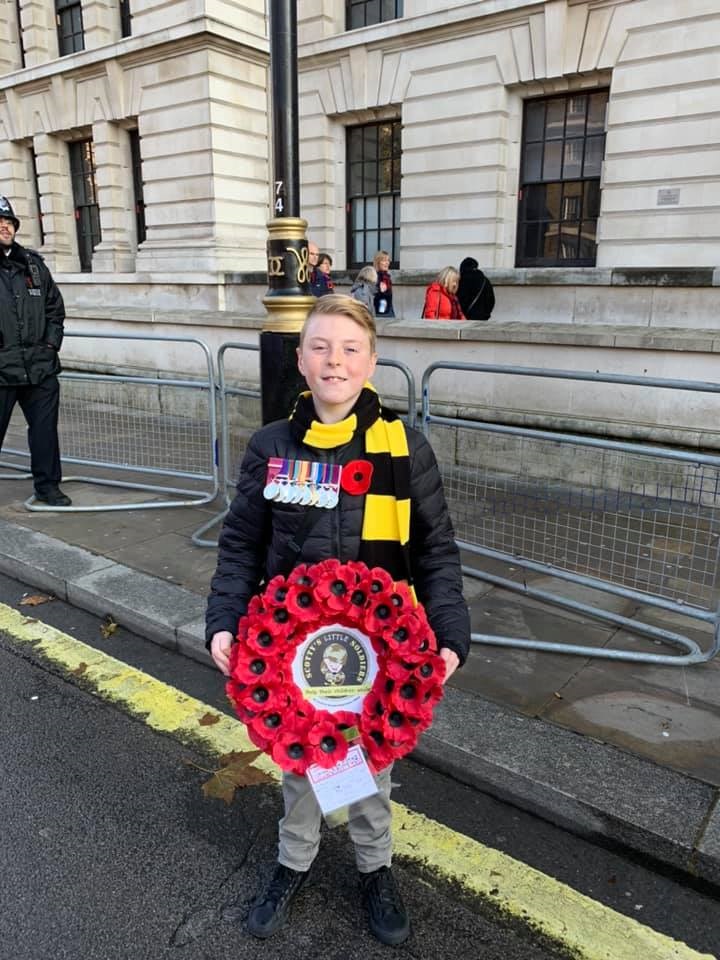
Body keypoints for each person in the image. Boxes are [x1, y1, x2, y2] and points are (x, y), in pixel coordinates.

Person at [206, 294, 470, 946]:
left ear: (371, 360)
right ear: (300, 359)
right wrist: (224, 620)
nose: (335, 361)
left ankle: (374, 869)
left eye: (350, 349)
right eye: (321, 347)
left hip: (381, 655)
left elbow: (435, 550)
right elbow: (241, 544)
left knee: (372, 770)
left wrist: (450, 632)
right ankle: (292, 862)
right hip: (296, 654)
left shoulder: (405, 448)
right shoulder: (270, 446)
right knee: (300, 766)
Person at [0, 196, 71, 507]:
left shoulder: (33, 265)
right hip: (2, 370)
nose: (4, 226)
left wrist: (50, 344)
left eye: (9, 222)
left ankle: (48, 487)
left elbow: (55, 309)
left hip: (40, 368)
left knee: (44, 433)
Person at [457, 257, 495, 321]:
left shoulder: (463, 280)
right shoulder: (485, 280)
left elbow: (460, 299)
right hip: (483, 319)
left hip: (466, 319)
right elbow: (492, 301)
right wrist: (486, 314)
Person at [372, 250, 395, 318]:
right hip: (380, 313)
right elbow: (373, 296)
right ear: (378, 262)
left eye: (388, 260)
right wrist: (380, 291)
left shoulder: (387, 277)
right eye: (384, 260)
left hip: (389, 310)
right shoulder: (374, 277)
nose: (387, 263)